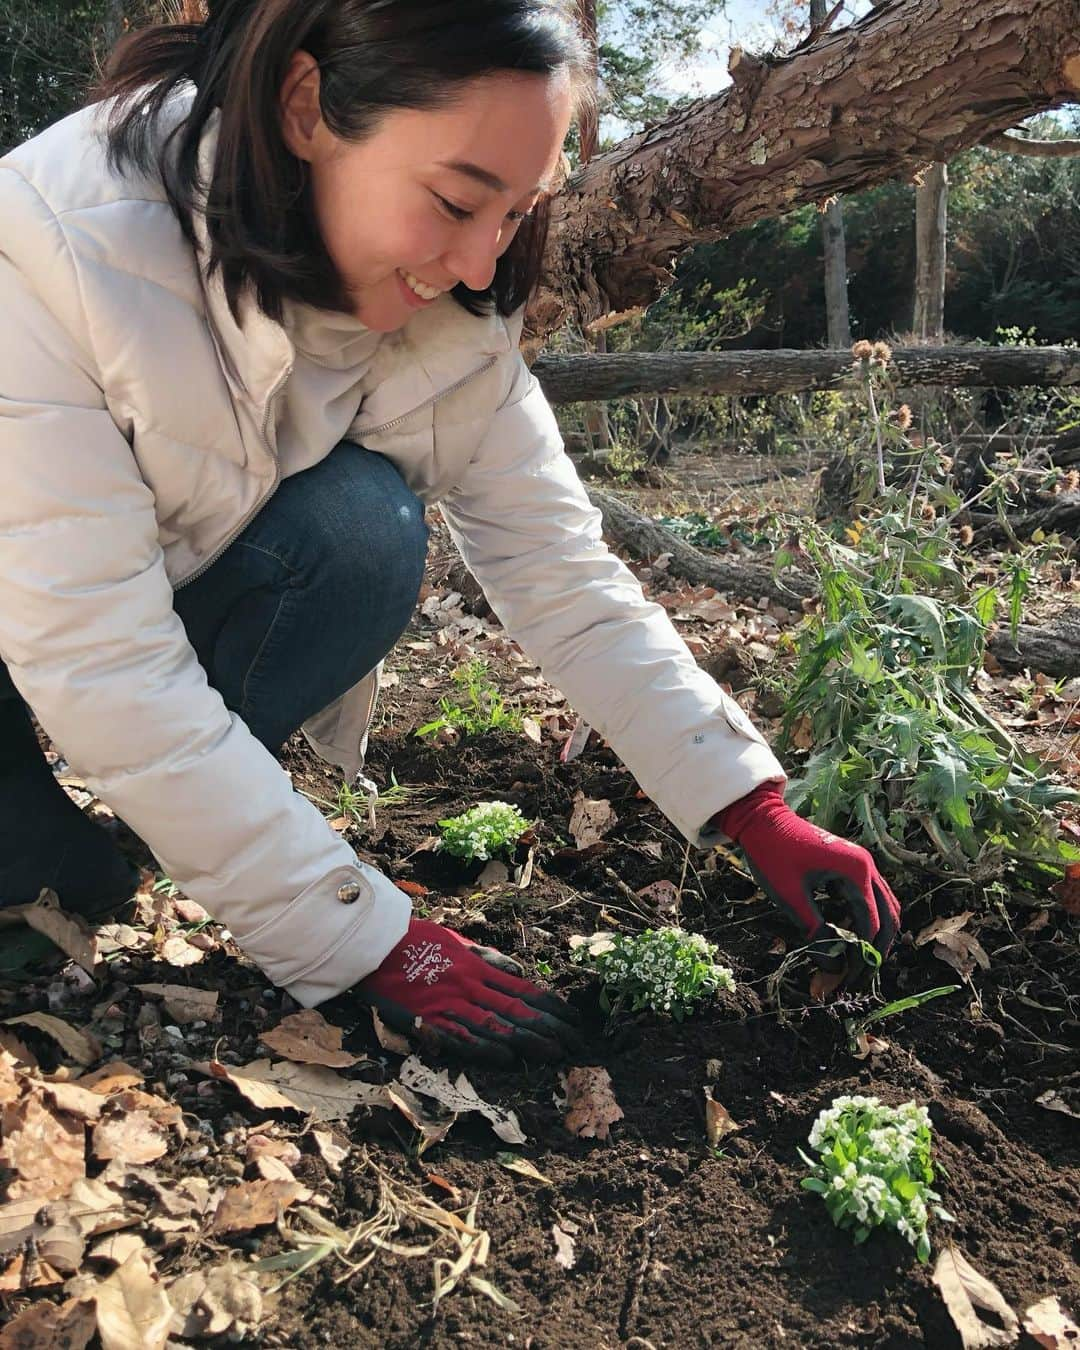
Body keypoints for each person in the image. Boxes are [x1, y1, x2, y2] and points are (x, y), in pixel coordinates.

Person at [0, 0, 899, 1067]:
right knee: (22, 874)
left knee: (363, 533)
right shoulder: (55, 244)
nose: (479, 266)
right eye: (457, 202)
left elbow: (559, 564)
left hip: (100, 599)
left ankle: (141, 845)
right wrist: (366, 940)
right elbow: (100, 655)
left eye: (516, 214)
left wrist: (748, 801)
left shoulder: (446, 318)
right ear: (305, 108)